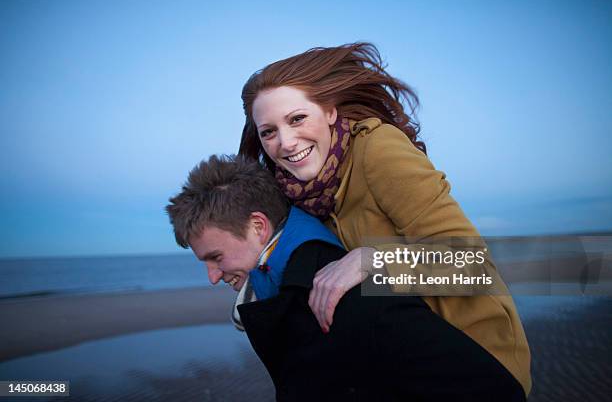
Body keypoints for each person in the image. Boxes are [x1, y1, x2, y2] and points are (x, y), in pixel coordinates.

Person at [238, 42, 532, 397]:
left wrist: (371, 259)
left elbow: (470, 264)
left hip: (476, 362)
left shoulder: (377, 149)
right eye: (268, 131)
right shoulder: (300, 193)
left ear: (330, 111)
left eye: (297, 119)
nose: (285, 142)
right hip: (404, 363)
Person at [166, 155, 526, 401]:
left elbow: (493, 390)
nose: (212, 277)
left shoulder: (340, 291)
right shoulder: (282, 283)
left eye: (215, 258)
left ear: (258, 226)